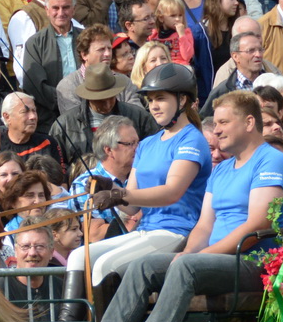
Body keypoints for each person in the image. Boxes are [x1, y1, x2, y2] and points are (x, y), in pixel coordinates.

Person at [95, 91, 283, 322]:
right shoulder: (222, 169)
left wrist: (200, 257)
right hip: (219, 259)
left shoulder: (272, 161)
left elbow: (257, 226)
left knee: (186, 267)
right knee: (144, 265)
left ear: (249, 122)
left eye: (224, 122)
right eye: (216, 123)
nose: (217, 130)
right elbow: (204, 225)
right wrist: (190, 251)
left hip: (257, 262)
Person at [74, 63, 211, 287]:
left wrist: (120, 194)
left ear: (182, 100)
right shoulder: (147, 144)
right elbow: (132, 207)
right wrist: (109, 190)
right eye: (150, 100)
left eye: (160, 98)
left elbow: (171, 193)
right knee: (78, 257)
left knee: (103, 266)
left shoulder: (191, 139)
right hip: (146, 229)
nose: (154, 106)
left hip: (177, 231)